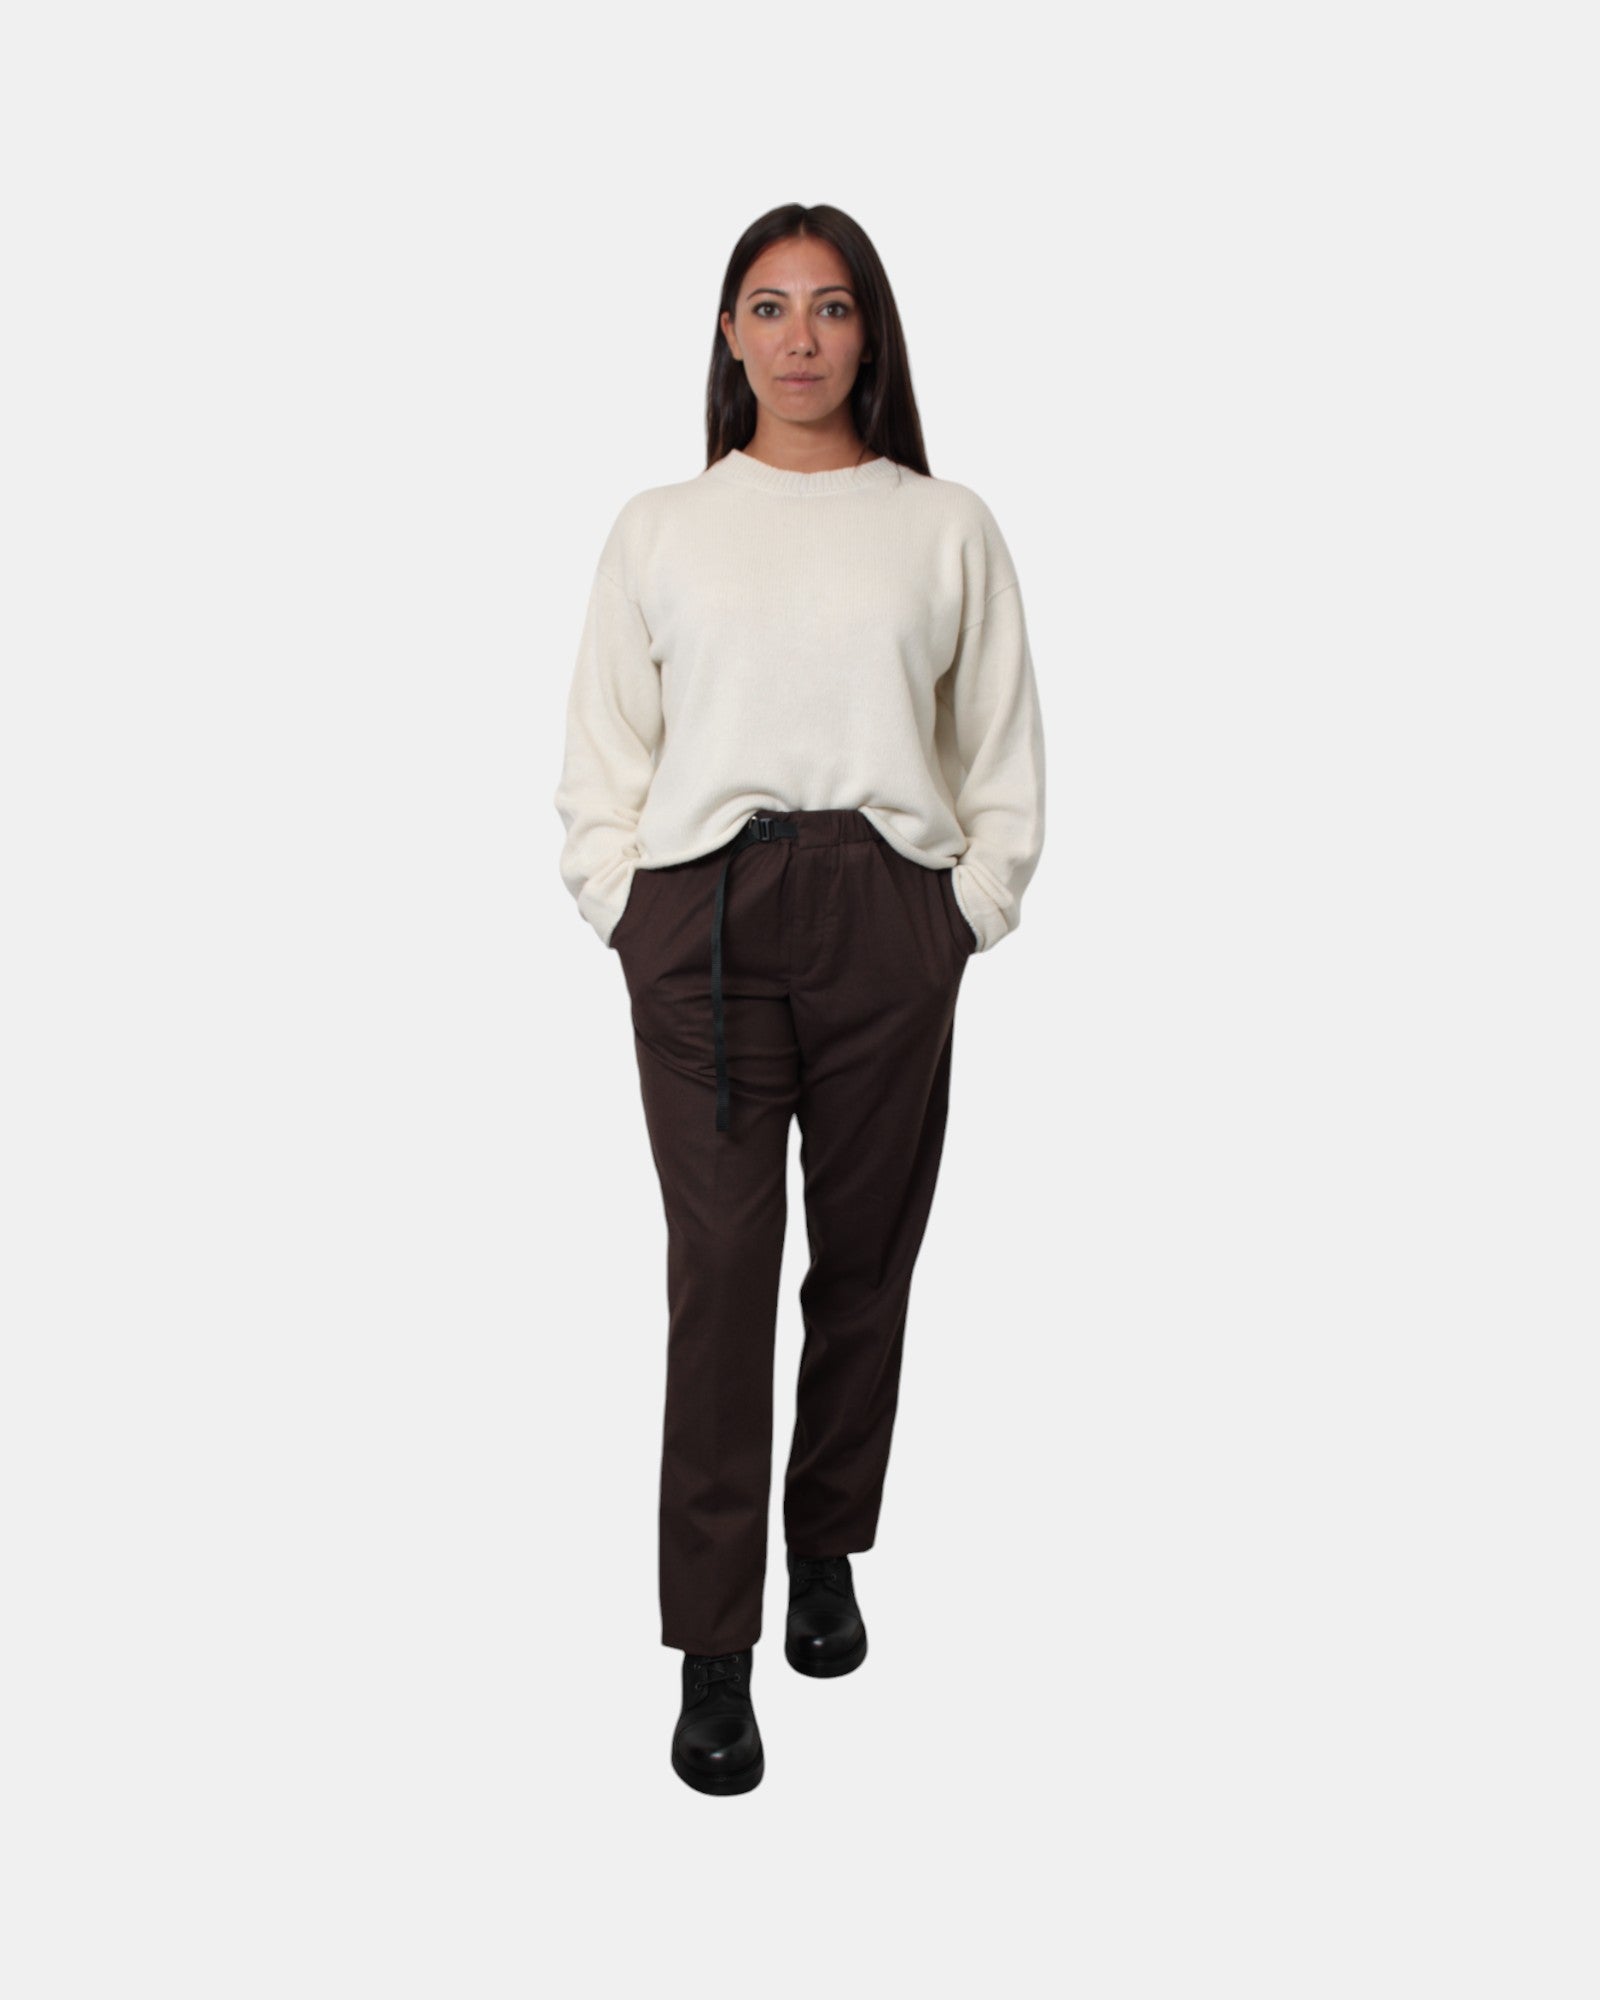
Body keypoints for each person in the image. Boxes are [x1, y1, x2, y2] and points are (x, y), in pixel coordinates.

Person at [554, 202, 1047, 1794]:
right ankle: (715, 1644)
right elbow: (605, 749)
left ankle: (825, 1541)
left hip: (885, 913)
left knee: (866, 1256)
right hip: (702, 919)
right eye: (767, 308)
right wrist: (623, 901)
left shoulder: (944, 524)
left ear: (870, 332)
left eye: (830, 308)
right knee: (721, 1275)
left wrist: (965, 910)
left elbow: (998, 742)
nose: (799, 338)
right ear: (728, 334)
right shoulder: (661, 528)